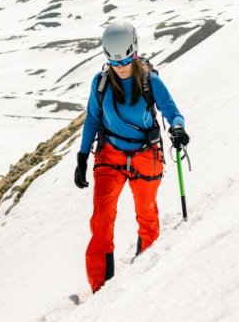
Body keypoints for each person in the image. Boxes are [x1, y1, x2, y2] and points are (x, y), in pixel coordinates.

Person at [74, 19, 189, 293]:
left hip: (145, 155)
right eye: (115, 62)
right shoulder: (100, 83)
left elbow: (173, 112)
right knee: (101, 220)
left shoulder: (151, 82)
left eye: (127, 59)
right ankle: (100, 289)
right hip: (109, 156)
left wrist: (178, 129)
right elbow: (92, 118)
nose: (122, 67)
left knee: (147, 217)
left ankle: (144, 278)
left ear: (135, 52)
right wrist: (81, 156)